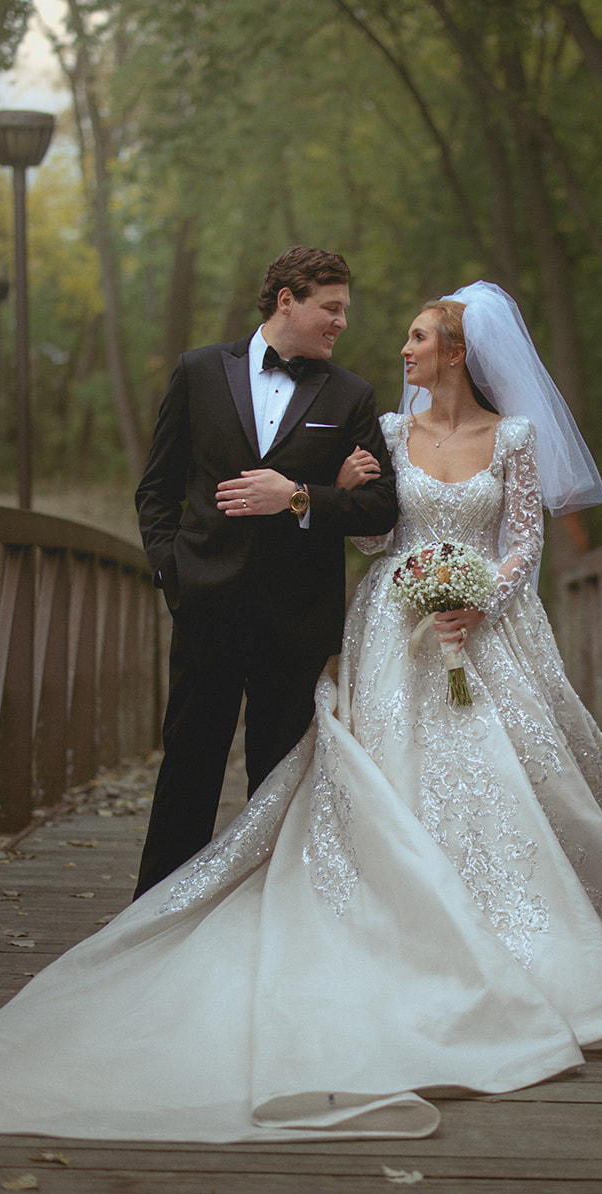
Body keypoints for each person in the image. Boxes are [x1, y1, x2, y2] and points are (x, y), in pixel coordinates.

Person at [0, 281, 602, 1143]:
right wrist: (331, 490)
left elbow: (523, 538)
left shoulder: (503, 434)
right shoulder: (385, 427)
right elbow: (372, 532)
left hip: (483, 626)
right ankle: (173, 913)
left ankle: (510, 932)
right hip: (386, 629)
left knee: (508, 773)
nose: (393, 346)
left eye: (413, 336)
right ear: (288, 299)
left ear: (458, 353)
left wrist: (480, 595)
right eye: (353, 318)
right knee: (283, 770)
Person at [131, 245, 397, 897]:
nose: (341, 323)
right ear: (288, 301)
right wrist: (174, 573)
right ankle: (155, 916)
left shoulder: (352, 394)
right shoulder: (198, 373)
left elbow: (381, 507)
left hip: (297, 620)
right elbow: (157, 490)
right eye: (330, 309)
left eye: (344, 312)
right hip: (207, 609)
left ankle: (267, 917)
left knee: (278, 782)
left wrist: (302, 495)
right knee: (188, 769)